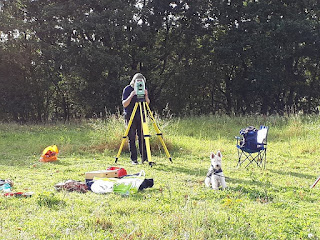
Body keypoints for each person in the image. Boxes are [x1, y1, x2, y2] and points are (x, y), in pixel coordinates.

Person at [122, 73, 150, 165]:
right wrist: (131, 95)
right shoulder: (127, 89)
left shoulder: (143, 88)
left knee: (142, 136)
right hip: (130, 115)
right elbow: (124, 104)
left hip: (141, 114)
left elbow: (148, 103)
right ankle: (134, 159)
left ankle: (144, 158)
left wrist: (146, 95)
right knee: (132, 137)